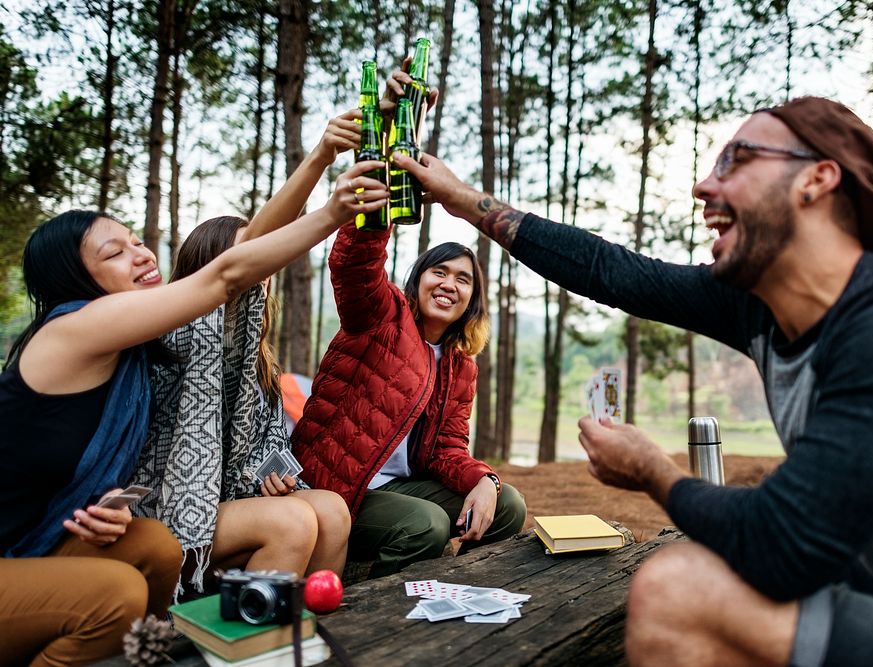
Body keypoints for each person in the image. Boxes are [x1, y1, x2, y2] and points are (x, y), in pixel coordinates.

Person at [394, 96, 873, 667]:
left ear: (817, 179)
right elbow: (613, 272)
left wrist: (654, 472)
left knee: (676, 589)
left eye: (736, 160)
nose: (703, 186)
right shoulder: (762, 306)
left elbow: (785, 543)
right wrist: (462, 200)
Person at [0, 154, 386, 664]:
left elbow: (241, 263)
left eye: (137, 240)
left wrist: (100, 503)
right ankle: (242, 648)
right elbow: (231, 269)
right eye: (115, 252)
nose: (140, 254)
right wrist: (333, 209)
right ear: (75, 280)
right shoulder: (76, 329)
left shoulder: (130, 352)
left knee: (157, 547)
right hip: (24, 545)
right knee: (120, 591)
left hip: (42, 534)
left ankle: (239, 646)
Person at [128, 115, 362, 592]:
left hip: (231, 497)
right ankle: (249, 645)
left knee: (331, 511)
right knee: (293, 521)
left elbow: (267, 441)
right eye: (256, 260)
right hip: (168, 505)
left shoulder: (255, 357)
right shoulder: (171, 328)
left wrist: (270, 474)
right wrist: (321, 156)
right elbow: (253, 247)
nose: (267, 269)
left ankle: (304, 628)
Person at [291, 226, 527, 579]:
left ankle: (460, 585)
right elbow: (354, 265)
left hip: (396, 487)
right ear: (418, 280)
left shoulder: (460, 366)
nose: (449, 284)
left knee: (508, 503)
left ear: (472, 299)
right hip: (340, 487)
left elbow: (447, 448)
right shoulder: (382, 318)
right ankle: (375, 601)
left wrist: (485, 481)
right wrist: (377, 211)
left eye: (463, 279)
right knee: (425, 523)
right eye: (440, 272)